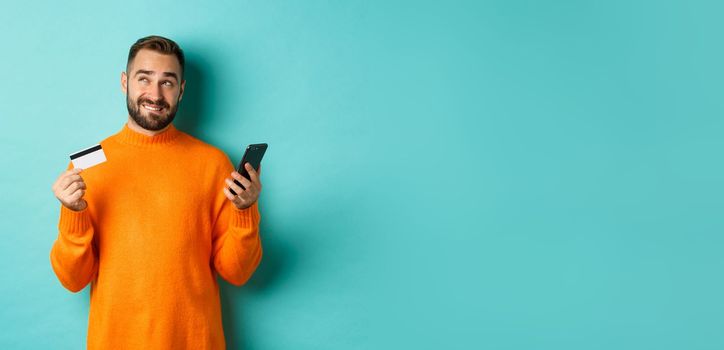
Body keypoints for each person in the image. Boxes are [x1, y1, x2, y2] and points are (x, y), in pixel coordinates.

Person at [49, 35, 263, 349]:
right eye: (144, 79)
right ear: (125, 82)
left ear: (182, 90)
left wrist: (245, 212)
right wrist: (73, 214)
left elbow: (237, 273)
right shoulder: (88, 163)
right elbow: (72, 280)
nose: (155, 93)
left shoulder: (213, 162)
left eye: (167, 82)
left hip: (195, 341)